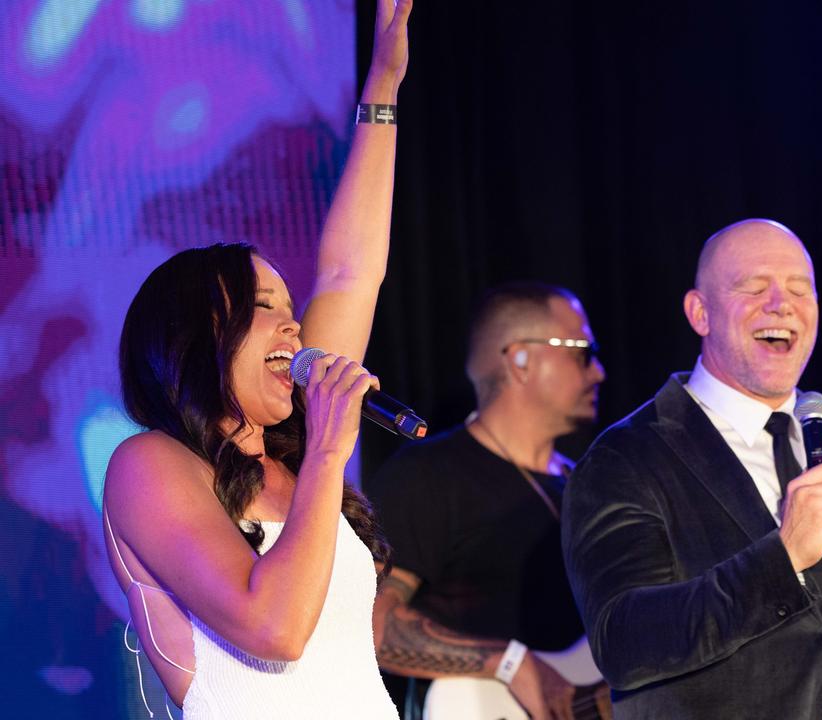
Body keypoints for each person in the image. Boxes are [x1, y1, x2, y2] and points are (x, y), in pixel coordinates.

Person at [100, 1, 411, 716]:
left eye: (288, 304)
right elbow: (273, 629)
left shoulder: (293, 458)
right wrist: (331, 452)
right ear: (200, 336)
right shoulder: (150, 466)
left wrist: (382, 94)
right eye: (265, 305)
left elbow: (350, 274)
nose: (294, 323)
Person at [561, 219, 822, 719]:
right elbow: (625, 645)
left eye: (799, 288)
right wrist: (782, 556)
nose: (780, 303)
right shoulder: (626, 459)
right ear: (700, 312)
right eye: (753, 286)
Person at [369, 283, 609, 720]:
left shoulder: (589, 483)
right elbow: (371, 624)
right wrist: (510, 664)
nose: (599, 373)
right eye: (582, 352)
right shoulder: (427, 475)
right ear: (520, 359)